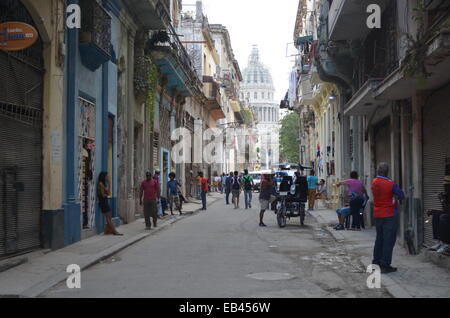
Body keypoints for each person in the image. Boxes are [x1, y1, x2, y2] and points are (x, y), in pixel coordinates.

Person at [371, 162, 405, 273]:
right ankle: (385, 265)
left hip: (377, 214)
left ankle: (376, 262)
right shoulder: (390, 183)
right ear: (387, 172)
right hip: (389, 214)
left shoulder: (374, 182)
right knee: (388, 240)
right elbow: (401, 194)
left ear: (378, 171)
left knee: (379, 238)